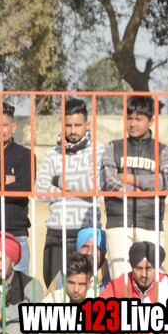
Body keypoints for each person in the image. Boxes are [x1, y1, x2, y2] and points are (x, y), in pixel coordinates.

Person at [100, 96, 168, 280]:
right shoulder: (113, 147)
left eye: (138, 119)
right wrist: (143, 191)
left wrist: (129, 178)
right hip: (119, 223)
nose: (132, 123)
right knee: (121, 282)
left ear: (151, 121)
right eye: (129, 118)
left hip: (151, 224)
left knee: (153, 282)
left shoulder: (163, 151)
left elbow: (165, 181)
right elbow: (108, 182)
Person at [35, 97, 99, 287]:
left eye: (77, 125)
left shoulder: (98, 151)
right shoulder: (51, 154)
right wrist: (80, 187)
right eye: (68, 125)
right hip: (56, 233)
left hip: (87, 235)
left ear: (87, 124)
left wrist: (58, 181)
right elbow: (41, 191)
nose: (72, 130)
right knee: (56, 291)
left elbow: (94, 185)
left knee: (86, 291)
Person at [0, 100, 33, 274]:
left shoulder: (25, 155)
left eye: (3, 125)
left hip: (15, 235)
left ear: (13, 127)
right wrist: (3, 179)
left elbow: (23, 189)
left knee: (18, 288)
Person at [38, 253, 100, 334]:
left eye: (81, 284)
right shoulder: (53, 299)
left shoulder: (98, 301)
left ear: (90, 283)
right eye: (71, 283)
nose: (76, 289)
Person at [75, 227, 111, 292]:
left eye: (96, 248)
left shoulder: (112, 274)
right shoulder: (63, 274)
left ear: (103, 252)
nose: (89, 253)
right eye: (85, 247)